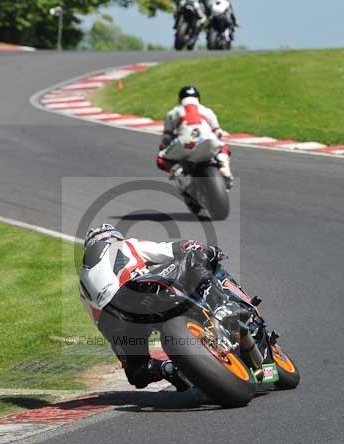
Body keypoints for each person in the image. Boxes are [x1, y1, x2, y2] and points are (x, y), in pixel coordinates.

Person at [79, 224, 231, 390]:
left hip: (114, 320)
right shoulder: (124, 244)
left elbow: (102, 324)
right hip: (140, 292)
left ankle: (170, 369)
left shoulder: (82, 283)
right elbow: (171, 249)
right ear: (112, 236)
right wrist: (207, 250)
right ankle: (221, 307)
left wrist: (123, 349)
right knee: (192, 255)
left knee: (138, 373)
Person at [156, 85, 234, 191]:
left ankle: (178, 171)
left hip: (185, 144)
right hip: (207, 140)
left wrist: (164, 148)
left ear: (180, 99)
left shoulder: (173, 112)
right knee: (223, 148)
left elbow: (166, 138)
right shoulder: (208, 111)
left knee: (160, 159)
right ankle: (224, 166)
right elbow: (219, 133)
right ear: (198, 98)